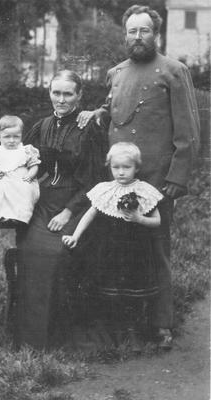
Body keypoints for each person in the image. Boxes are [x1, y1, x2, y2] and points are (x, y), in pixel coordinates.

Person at [77, 4, 200, 350]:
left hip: (156, 182)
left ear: (156, 34)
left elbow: (188, 133)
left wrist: (176, 179)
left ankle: (160, 324)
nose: (137, 37)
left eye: (144, 30)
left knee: (155, 248)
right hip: (118, 181)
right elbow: (115, 109)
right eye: (132, 31)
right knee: (118, 251)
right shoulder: (116, 72)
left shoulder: (174, 72)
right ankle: (122, 321)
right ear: (125, 35)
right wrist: (97, 113)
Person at [14, 69, 107, 350]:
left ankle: (60, 337)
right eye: (57, 93)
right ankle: (31, 340)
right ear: (49, 93)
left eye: (68, 94)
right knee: (30, 251)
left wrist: (68, 211)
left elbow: (95, 180)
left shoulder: (89, 128)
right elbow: (24, 163)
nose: (62, 99)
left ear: (80, 96)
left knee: (57, 253)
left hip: (78, 202)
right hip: (44, 201)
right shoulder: (41, 126)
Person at [63, 142, 163, 353]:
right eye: (116, 167)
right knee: (111, 290)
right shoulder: (105, 190)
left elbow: (157, 221)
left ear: (136, 168)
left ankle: (133, 331)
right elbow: (90, 214)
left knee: (134, 291)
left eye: (126, 167)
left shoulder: (144, 191)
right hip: (110, 250)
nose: (120, 172)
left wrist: (139, 219)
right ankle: (115, 331)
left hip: (136, 252)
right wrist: (75, 236)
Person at [0, 115, 40, 224]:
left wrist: (30, 175)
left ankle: (19, 217)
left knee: (25, 191)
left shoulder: (26, 150)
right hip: (2, 180)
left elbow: (34, 165)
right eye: (7, 137)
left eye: (16, 136)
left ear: (21, 136)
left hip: (21, 180)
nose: (12, 140)